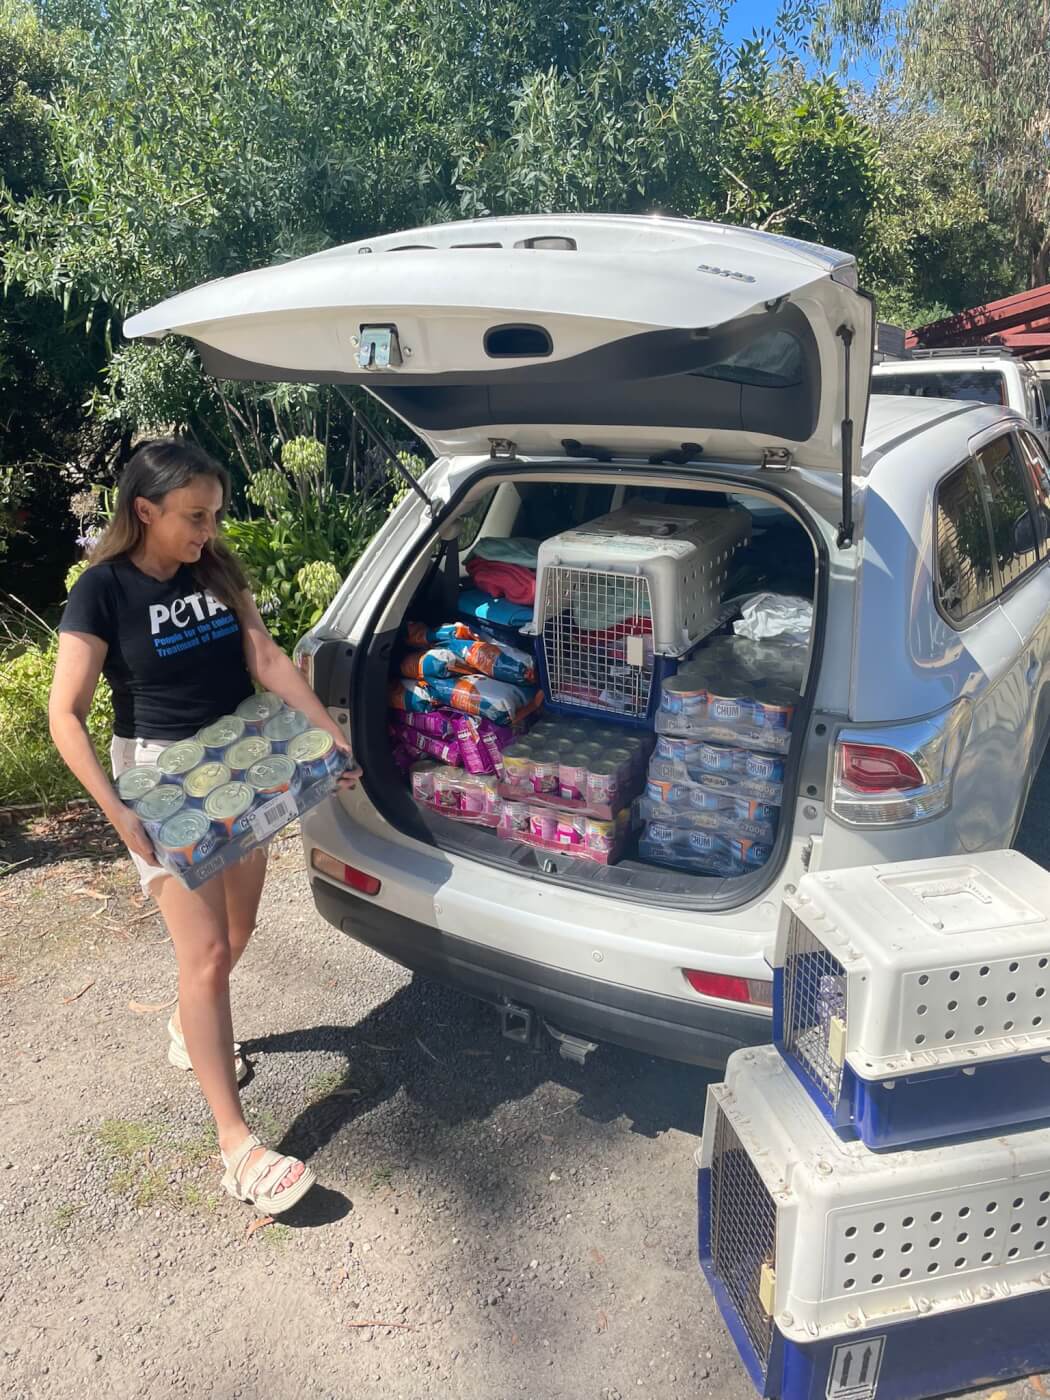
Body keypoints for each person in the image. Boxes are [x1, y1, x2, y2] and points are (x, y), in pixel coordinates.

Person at [49, 438, 357, 1216]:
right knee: (209, 952)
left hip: (239, 768)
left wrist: (328, 735)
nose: (206, 532)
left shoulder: (214, 570)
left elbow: (266, 657)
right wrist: (118, 811)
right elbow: (65, 715)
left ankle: (195, 1030)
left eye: (214, 515)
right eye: (193, 517)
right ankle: (237, 1148)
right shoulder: (101, 591)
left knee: (240, 928)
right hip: (161, 783)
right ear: (143, 510)